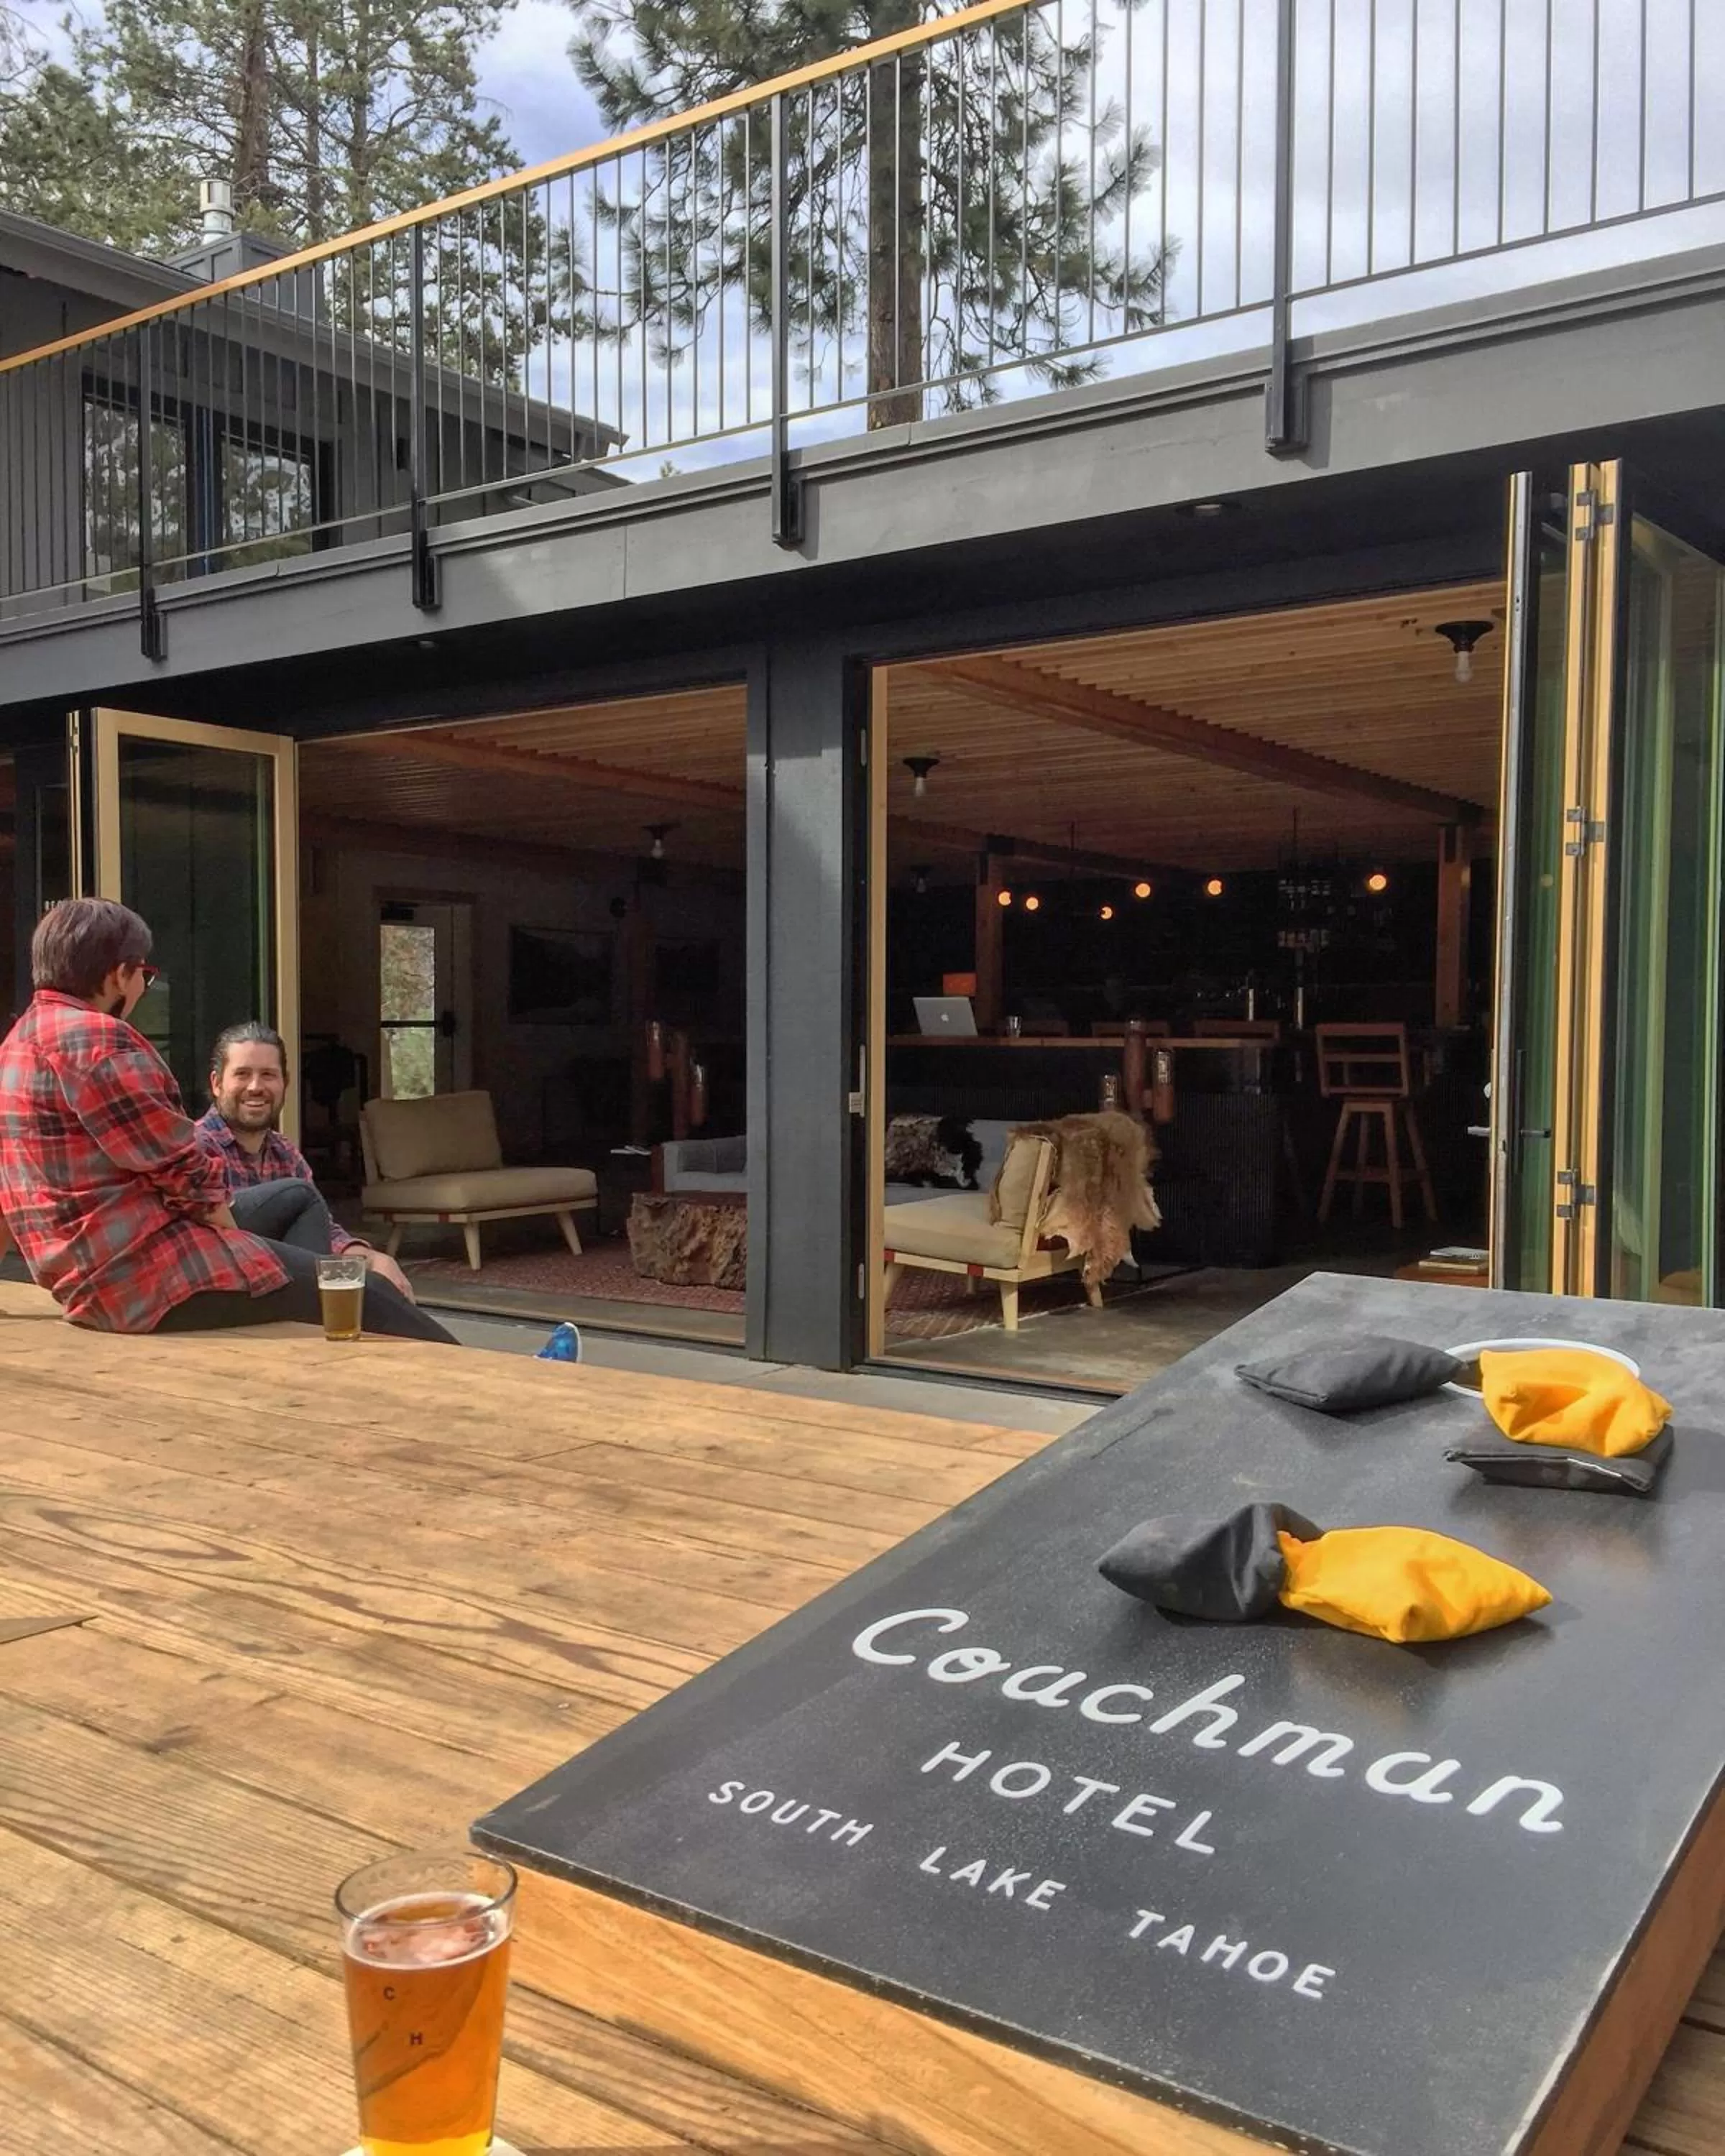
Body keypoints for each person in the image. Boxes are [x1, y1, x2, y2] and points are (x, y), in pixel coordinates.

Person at [0, 898, 456, 1343]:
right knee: (364, 1292)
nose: (143, 987)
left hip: (93, 1277)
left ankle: (314, 1340)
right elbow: (183, 1174)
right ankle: (491, 1381)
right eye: (145, 974)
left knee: (298, 1198)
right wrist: (249, 1251)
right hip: (148, 1281)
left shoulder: (17, 1044)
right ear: (120, 974)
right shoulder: (101, 1041)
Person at [198, 1020, 417, 1302]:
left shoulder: (284, 1151)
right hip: (230, 1299)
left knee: (382, 1291)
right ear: (216, 1084)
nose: (256, 1087)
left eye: (268, 1075)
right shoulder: (197, 1150)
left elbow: (323, 1230)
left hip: (290, 1292)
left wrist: (373, 1260)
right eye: (242, 1074)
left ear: (284, 1084)